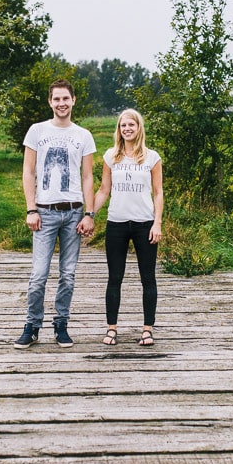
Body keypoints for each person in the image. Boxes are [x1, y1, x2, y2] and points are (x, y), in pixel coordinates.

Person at [14, 79, 96, 349]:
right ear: (50, 102)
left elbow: (87, 176)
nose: (62, 103)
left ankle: (61, 324)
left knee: (68, 275)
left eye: (66, 98)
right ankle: (32, 325)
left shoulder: (83, 135)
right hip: (45, 213)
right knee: (39, 274)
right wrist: (31, 208)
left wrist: (89, 213)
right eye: (56, 99)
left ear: (74, 100)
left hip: (73, 213)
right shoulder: (37, 131)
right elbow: (28, 171)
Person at [92, 108, 163, 347]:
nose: (127, 129)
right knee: (115, 277)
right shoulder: (110, 156)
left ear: (138, 127)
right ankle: (111, 329)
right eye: (123, 125)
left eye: (131, 125)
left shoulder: (152, 158)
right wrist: (89, 214)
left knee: (148, 278)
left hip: (144, 224)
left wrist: (157, 223)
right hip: (117, 223)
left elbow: (158, 192)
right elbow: (104, 190)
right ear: (119, 129)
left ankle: (147, 330)